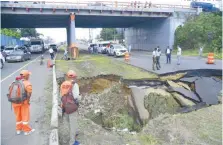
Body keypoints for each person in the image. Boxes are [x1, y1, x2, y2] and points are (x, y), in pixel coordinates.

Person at [60, 70, 81, 145]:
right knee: (73, 125)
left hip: (65, 108)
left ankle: (76, 132)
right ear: (74, 77)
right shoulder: (74, 85)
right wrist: (80, 98)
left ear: (67, 76)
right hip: (72, 108)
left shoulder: (63, 84)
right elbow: (76, 97)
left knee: (70, 124)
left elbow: (61, 96)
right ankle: (72, 142)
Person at [12, 70, 35, 135]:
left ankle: (18, 130)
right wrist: (28, 101)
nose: (29, 76)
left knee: (18, 116)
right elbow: (29, 94)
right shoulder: (27, 83)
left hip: (14, 102)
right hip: (23, 103)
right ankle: (26, 130)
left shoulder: (15, 82)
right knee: (25, 116)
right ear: (27, 76)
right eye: (29, 75)